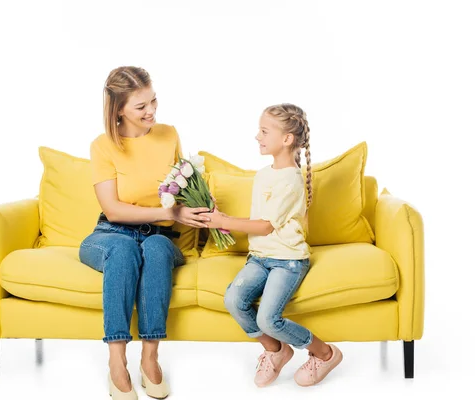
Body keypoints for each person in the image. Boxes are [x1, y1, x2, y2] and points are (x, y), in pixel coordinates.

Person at [79, 66, 210, 399]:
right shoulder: (103, 145)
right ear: (118, 109)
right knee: (124, 252)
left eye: (153, 101)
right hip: (111, 234)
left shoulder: (169, 134)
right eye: (140, 106)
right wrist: (169, 211)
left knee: (153, 250)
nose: (151, 110)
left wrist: (199, 204)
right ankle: (116, 361)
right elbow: (113, 209)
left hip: (160, 236)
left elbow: (183, 184)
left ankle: (150, 357)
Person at [201, 103, 343, 388]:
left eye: (264, 131)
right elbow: (258, 221)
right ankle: (276, 351)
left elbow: (266, 225)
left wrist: (222, 221)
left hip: (288, 260)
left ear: (287, 139)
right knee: (233, 300)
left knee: (268, 319)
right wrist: (220, 216)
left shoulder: (290, 179)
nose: (257, 136)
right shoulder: (265, 174)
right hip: (259, 257)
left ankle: (325, 353)